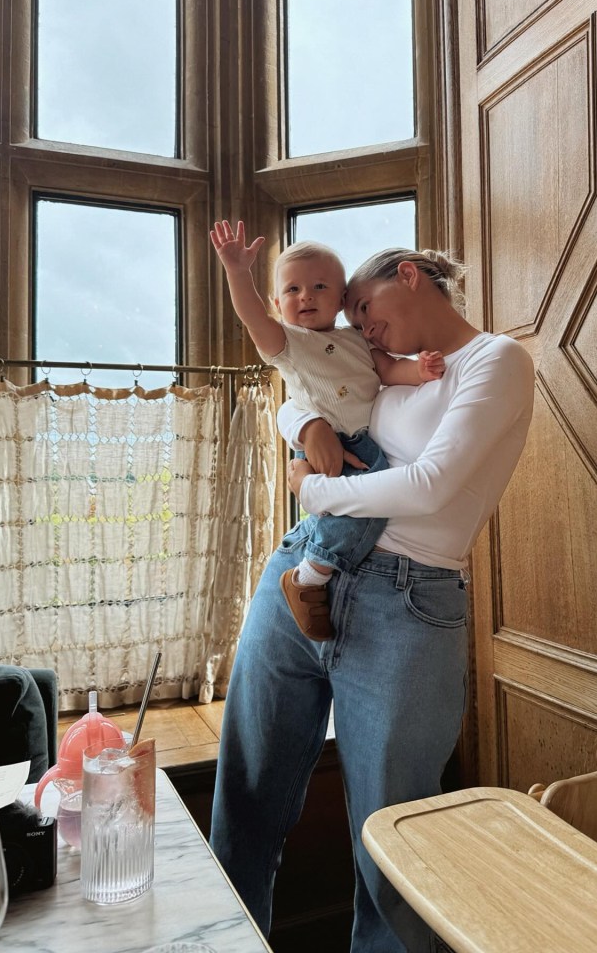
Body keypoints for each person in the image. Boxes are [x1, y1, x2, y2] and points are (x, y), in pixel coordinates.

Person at [210, 244, 535, 953]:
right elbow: (303, 387)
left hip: (407, 607)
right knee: (244, 807)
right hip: (302, 572)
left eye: (365, 307)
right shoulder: (376, 361)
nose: (361, 326)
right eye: (353, 316)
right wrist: (302, 426)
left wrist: (316, 489)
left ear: (409, 278)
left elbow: (432, 486)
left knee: (396, 846)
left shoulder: (495, 362)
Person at [210, 220, 444, 641]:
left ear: (340, 299)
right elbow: (251, 317)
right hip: (332, 443)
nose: (305, 296)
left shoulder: (357, 340)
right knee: (357, 513)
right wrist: (236, 272)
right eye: (293, 290)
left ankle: (317, 574)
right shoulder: (288, 343)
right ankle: (310, 576)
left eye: (320, 287)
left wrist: (419, 370)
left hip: (364, 444)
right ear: (277, 302)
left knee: (365, 509)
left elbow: (388, 369)